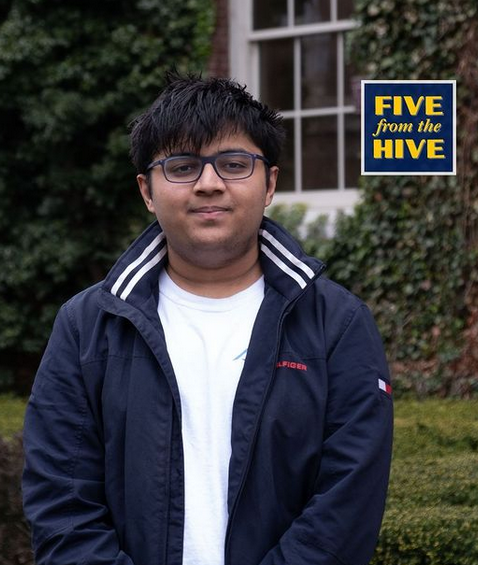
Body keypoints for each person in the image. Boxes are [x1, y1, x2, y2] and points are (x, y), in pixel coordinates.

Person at [22, 74, 393, 565]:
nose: (209, 183)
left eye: (235, 164)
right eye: (182, 166)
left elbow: (346, 509)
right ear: (147, 191)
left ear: (270, 183)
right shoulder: (87, 327)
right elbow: (61, 504)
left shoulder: (337, 325)